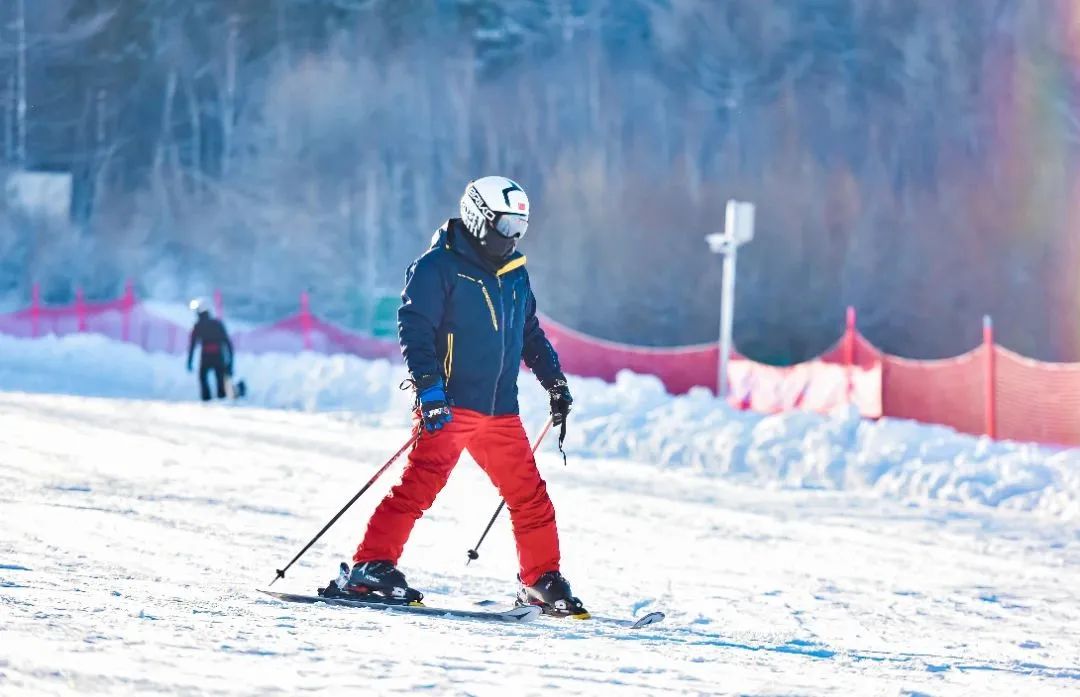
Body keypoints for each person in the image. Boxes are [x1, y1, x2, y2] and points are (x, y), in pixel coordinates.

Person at [342, 176, 585, 618]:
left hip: (499, 412)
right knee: (419, 486)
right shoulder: (438, 267)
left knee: (529, 495)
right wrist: (430, 389)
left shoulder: (514, 273)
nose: (512, 236)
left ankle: (540, 579)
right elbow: (414, 329)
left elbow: (528, 333)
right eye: (506, 225)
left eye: (520, 227)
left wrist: (555, 381)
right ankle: (371, 566)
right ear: (479, 217)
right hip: (450, 405)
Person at [186, 298, 234, 402]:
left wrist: (189, 361)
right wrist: (230, 361)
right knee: (220, 379)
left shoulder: (198, 326)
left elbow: (192, 345)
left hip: (206, 356)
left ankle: (206, 399)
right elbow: (227, 343)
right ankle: (222, 398)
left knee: (203, 377)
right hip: (218, 355)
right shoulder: (217, 324)